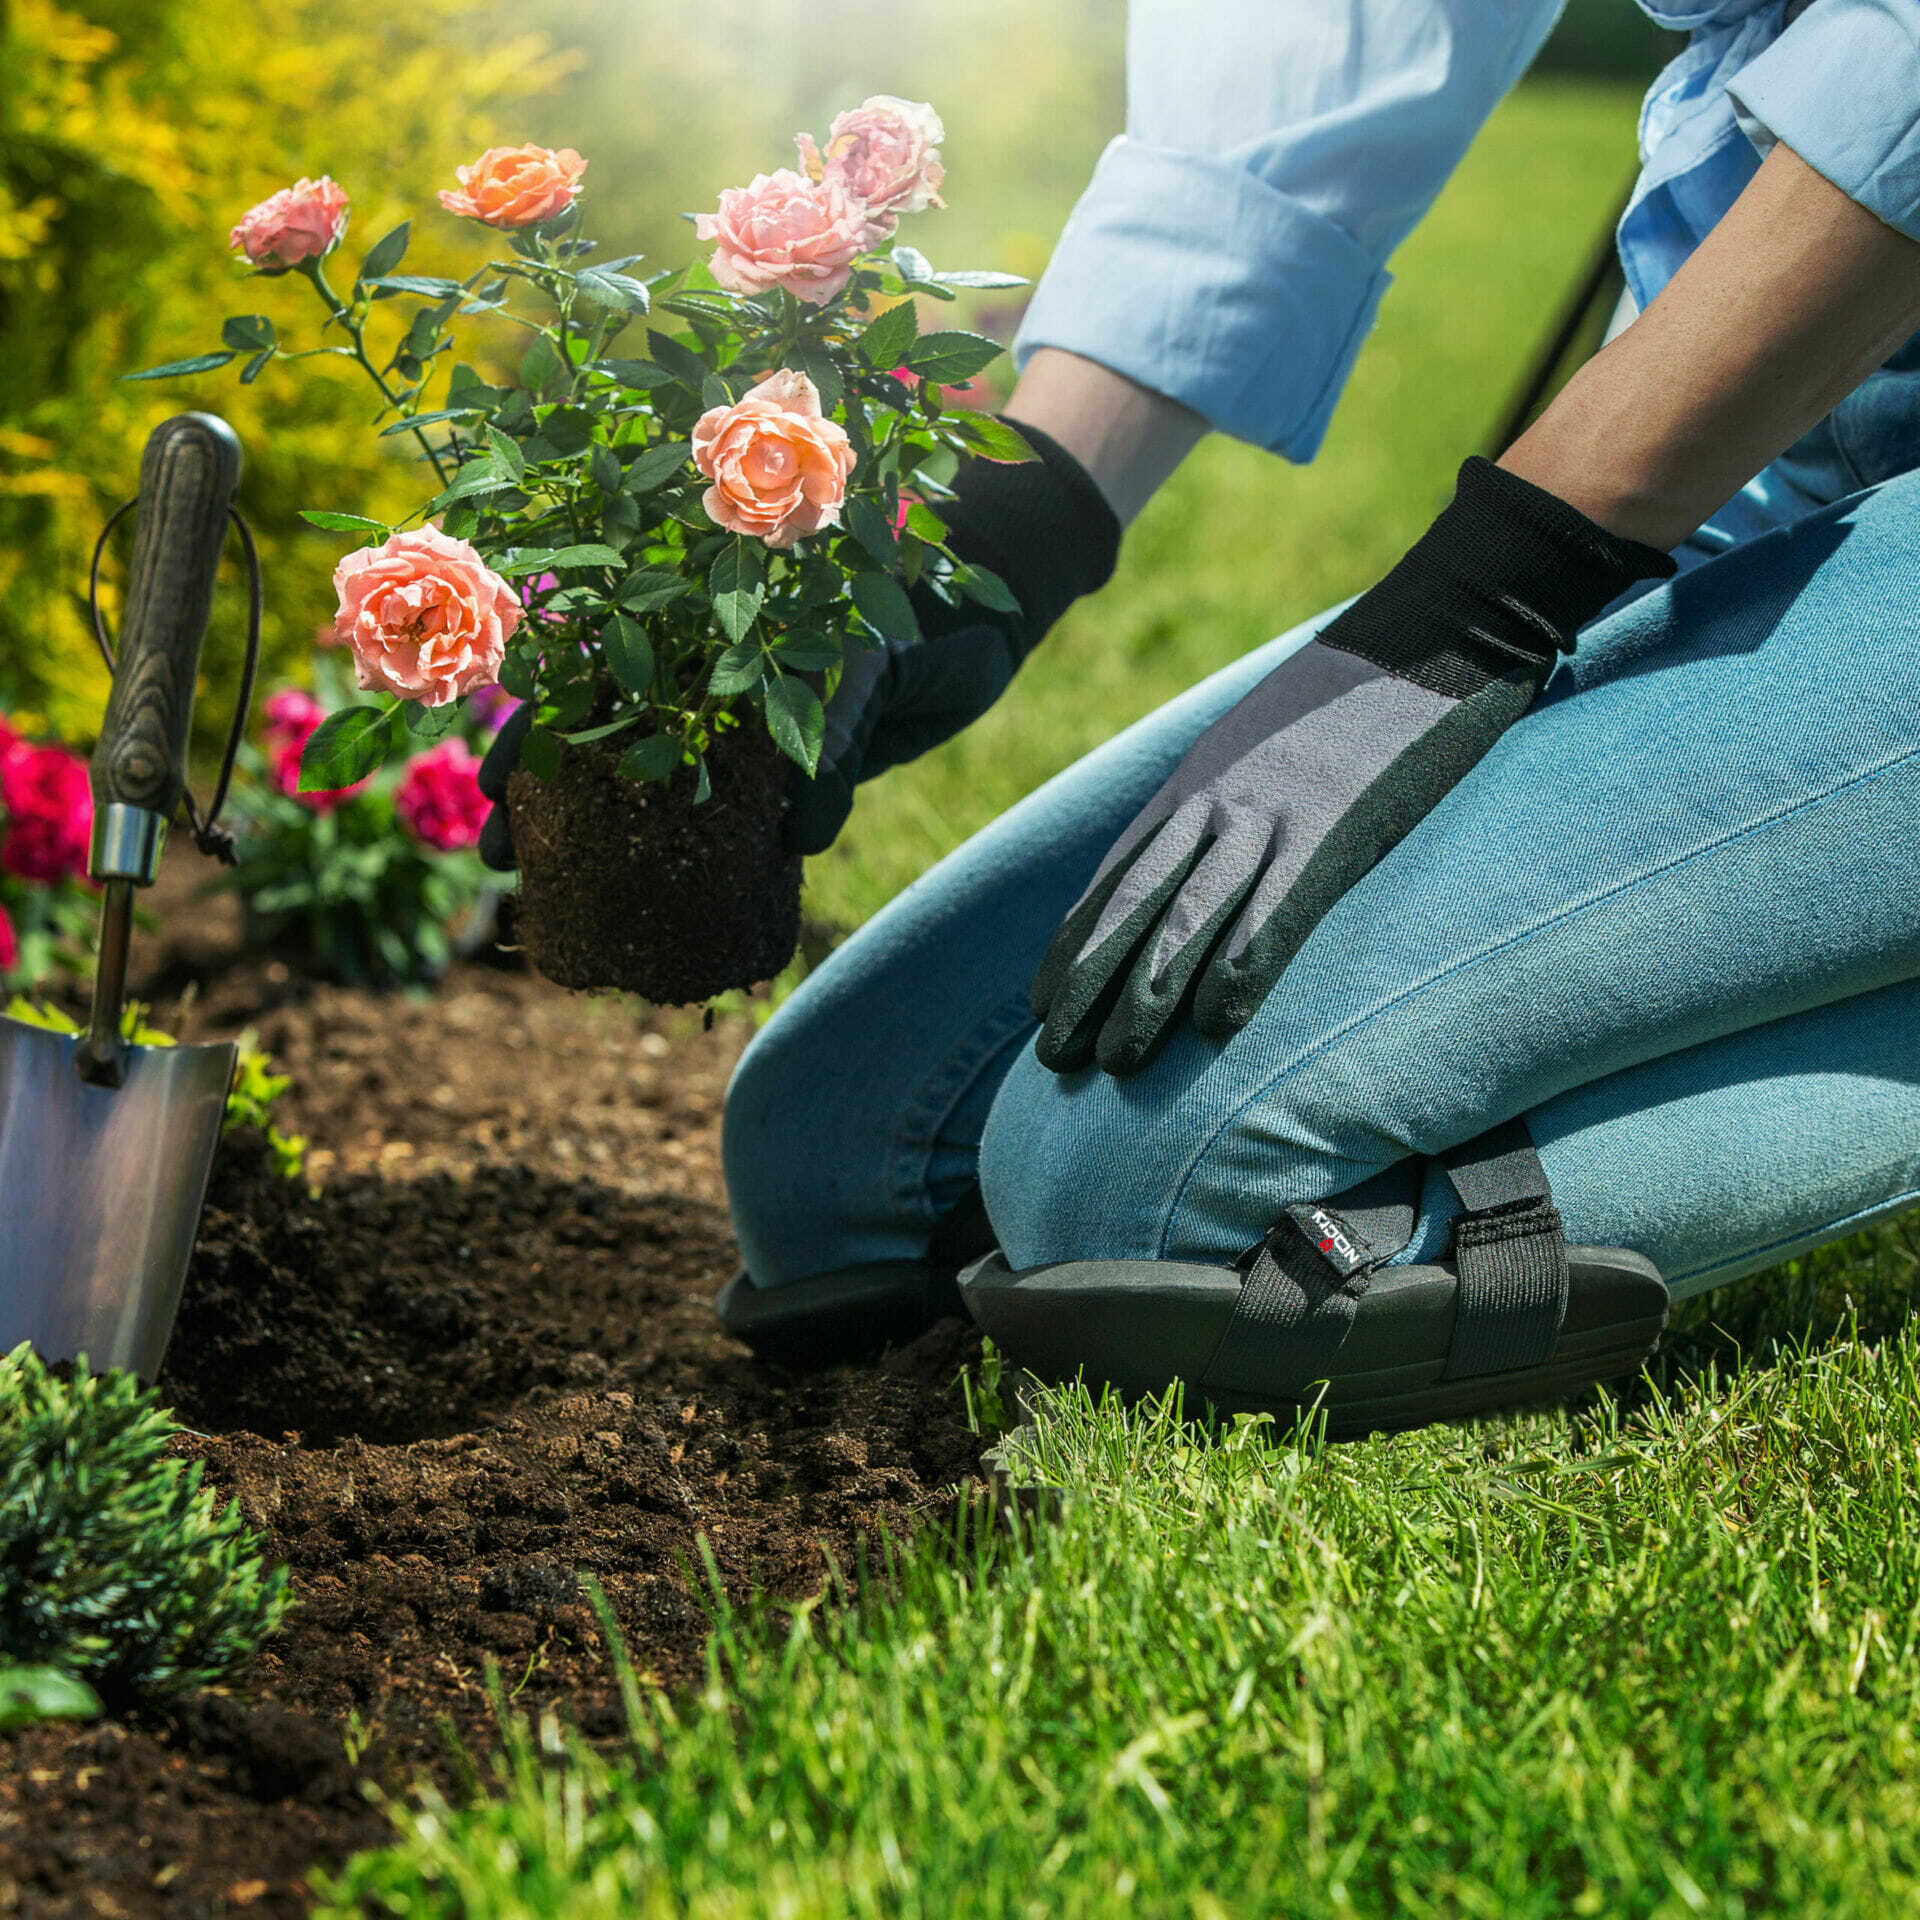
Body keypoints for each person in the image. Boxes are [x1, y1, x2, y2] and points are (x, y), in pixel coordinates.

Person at [489, 0, 1920, 1427]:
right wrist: (1026, 520)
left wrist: (1479, 607)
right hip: (1760, 462)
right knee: (838, 1158)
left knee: (1149, 1209)